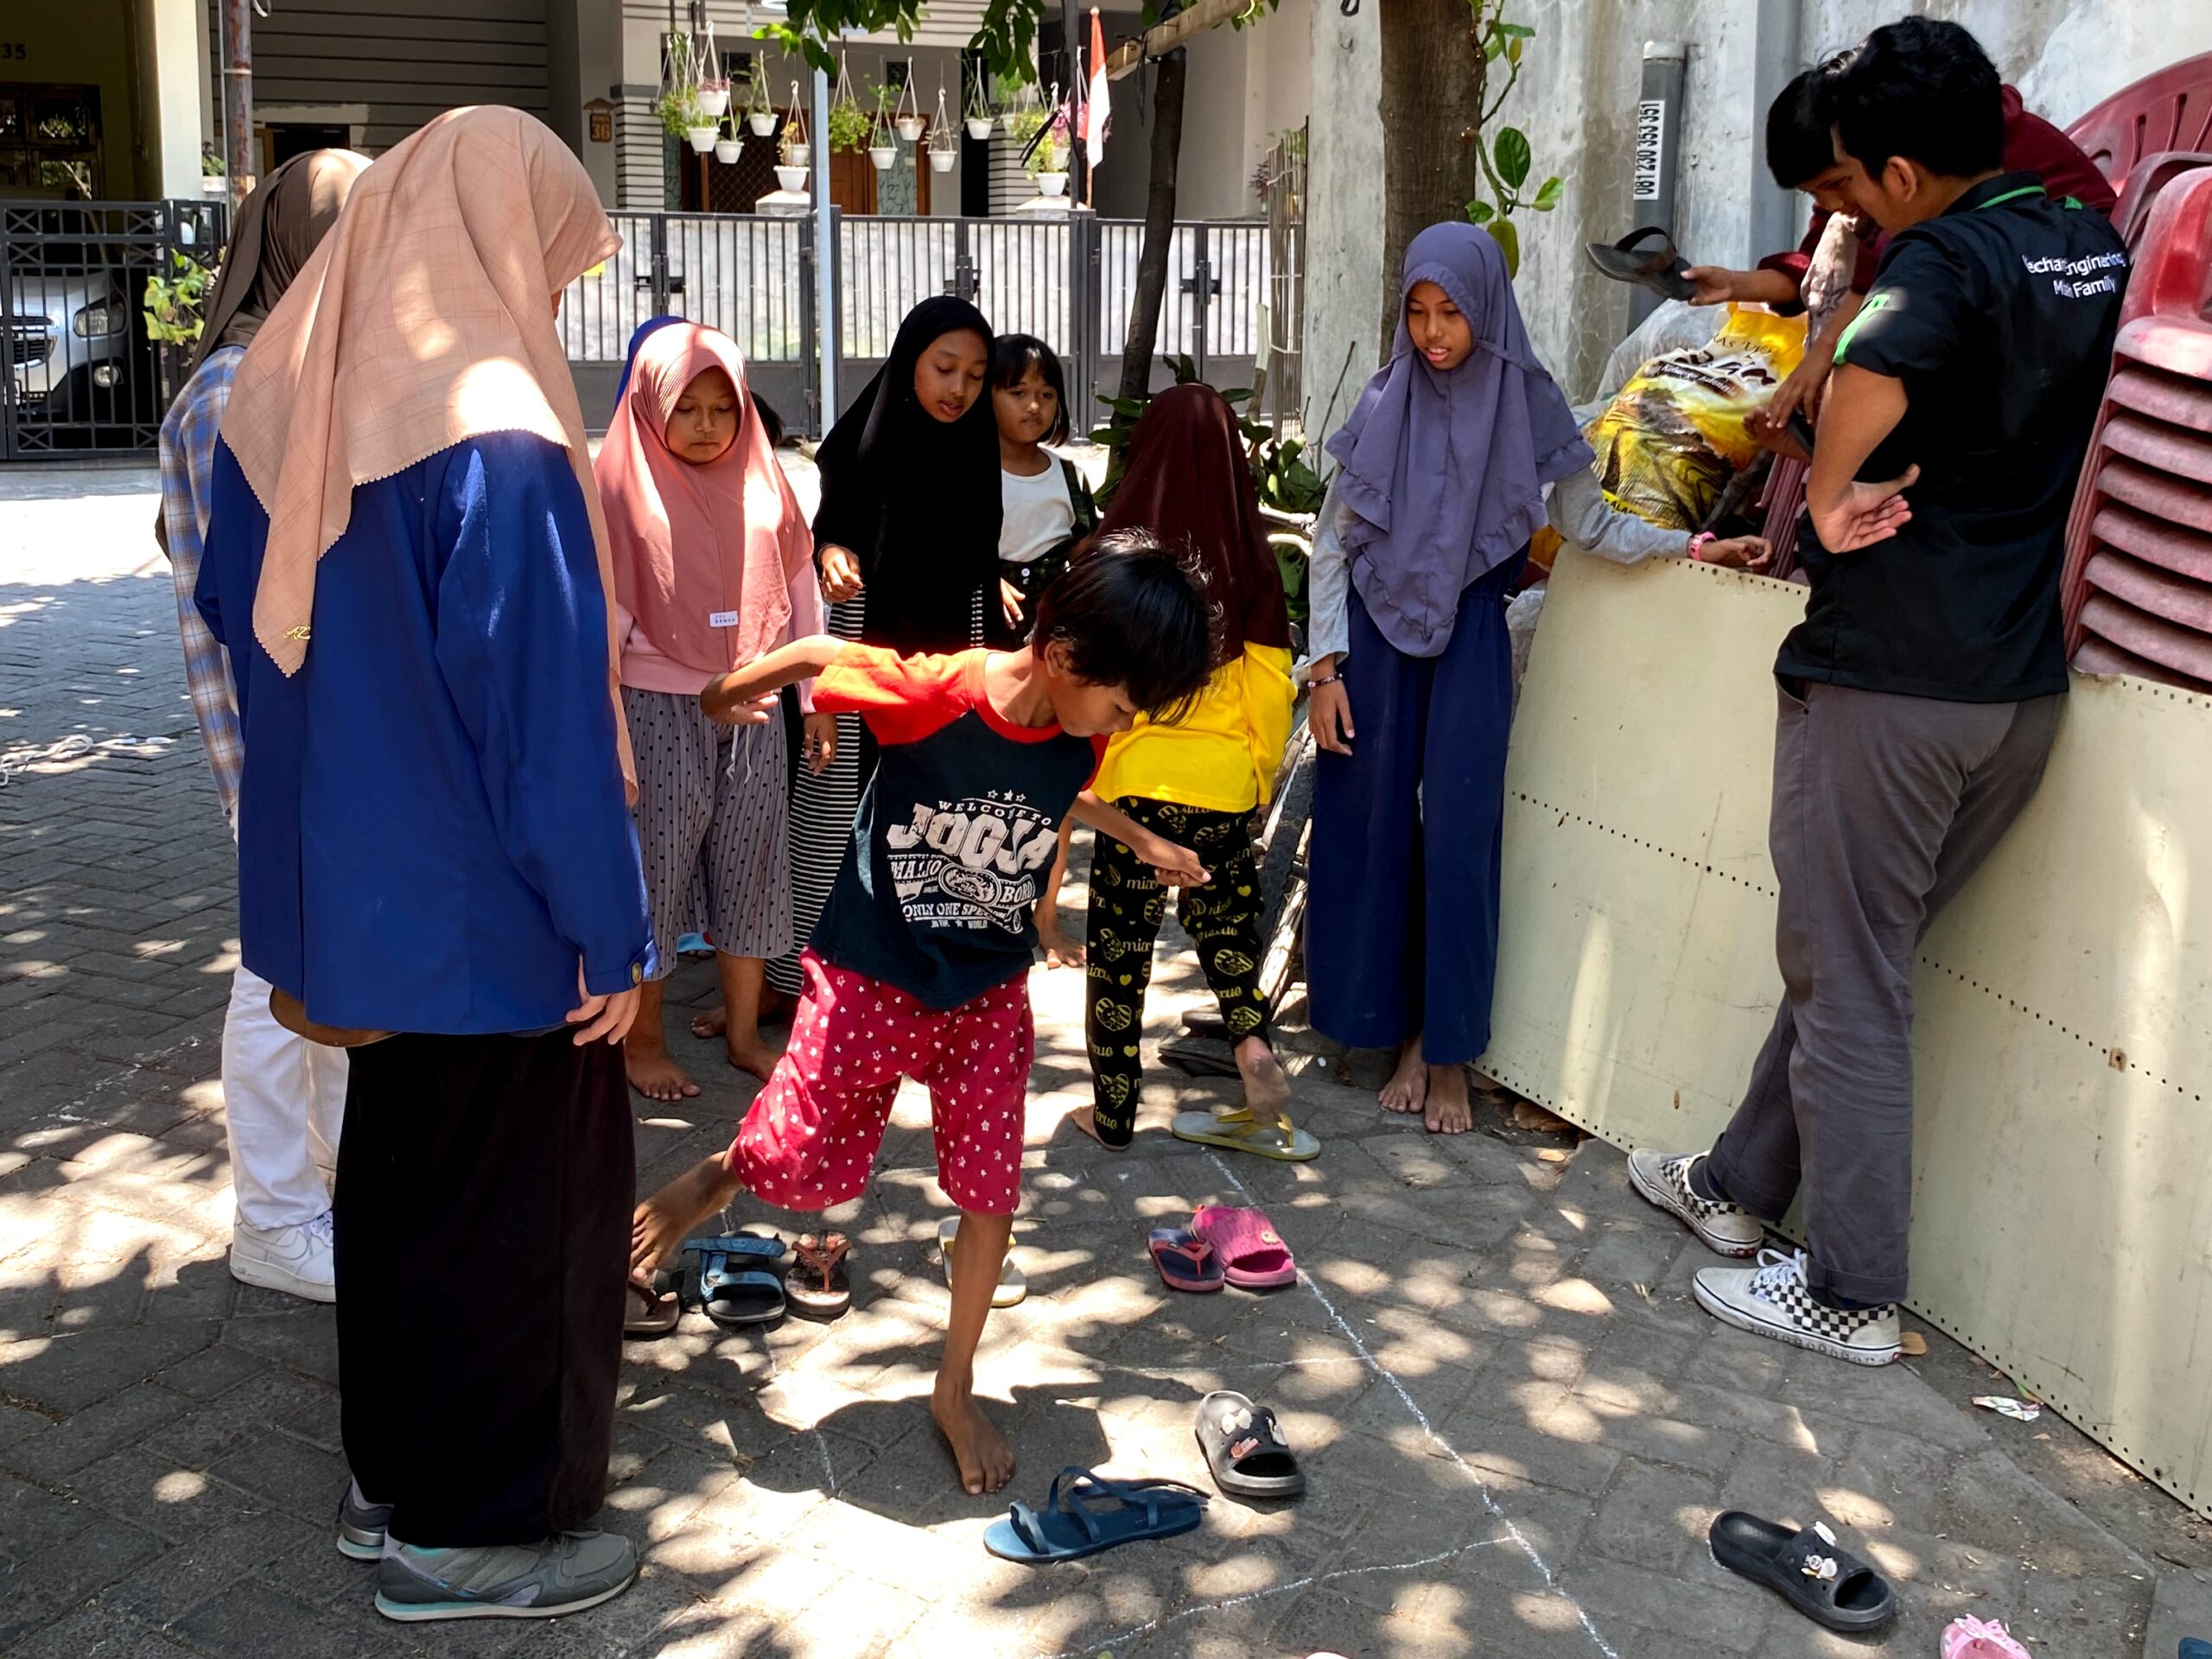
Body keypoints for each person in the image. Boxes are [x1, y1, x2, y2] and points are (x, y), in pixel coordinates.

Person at [196, 106, 653, 1620]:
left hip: (362, 907)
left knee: (399, 1194)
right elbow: (543, 722)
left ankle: (392, 1480)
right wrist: (611, 932)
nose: (554, 297)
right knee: (519, 1228)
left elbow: (236, 615)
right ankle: (479, 1534)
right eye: (553, 260)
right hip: (496, 920)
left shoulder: (286, 393)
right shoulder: (496, 428)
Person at [1630, 18, 2127, 1365]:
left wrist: (1833, 487)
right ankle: (1736, 1185)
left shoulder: (1944, 259)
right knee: (1853, 960)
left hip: (1893, 682)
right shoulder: (2082, 238)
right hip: (2013, 689)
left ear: (1903, 172)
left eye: (1848, 181)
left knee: (1848, 980)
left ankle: (1850, 1293)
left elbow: (1870, 362)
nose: (1844, 206)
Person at [631, 537, 1216, 1496]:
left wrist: (1140, 836)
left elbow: (1059, 789)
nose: (1129, 721)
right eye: (1125, 702)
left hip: (984, 992)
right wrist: (724, 693)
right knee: (797, 1163)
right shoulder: (936, 692)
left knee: (991, 1196)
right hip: (871, 970)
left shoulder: (1083, 730)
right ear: (1064, 656)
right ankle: (720, 1175)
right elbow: (819, 655)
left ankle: (954, 1388)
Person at [1306, 222, 1592, 1135]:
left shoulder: (1528, 401)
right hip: (1374, 640)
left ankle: (1447, 1048)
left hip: (1471, 634)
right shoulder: (1387, 396)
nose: (1433, 333)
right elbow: (1330, 545)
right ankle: (1391, 1032)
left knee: (1461, 840)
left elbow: (1587, 521)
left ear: (1488, 310)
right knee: (1371, 826)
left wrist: (1690, 547)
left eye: (1452, 313)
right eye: (1419, 312)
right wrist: (1323, 669)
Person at [156, 146, 367, 1303]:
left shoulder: (290, 373)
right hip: (279, 730)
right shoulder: (239, 388)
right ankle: (274, 1219)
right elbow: (263, 591)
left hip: (318, 729)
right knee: (278, 975)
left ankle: (323, 1185)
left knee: (327, 966)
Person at [595, 321, 827, 1097]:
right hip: (656, 706)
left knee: (753, 865)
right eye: (685, 408)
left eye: (722, 408)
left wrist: (814, 699)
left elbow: (800, 593)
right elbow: (603, 620)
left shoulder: (765, 480)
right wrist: (603, 723)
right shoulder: (618, 487)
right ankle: (643, 1043)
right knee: (655, 872)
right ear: (651, 405)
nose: (706, 425)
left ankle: (743, 1035)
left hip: (755, 697)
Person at [1072, 385, 1298, 1150]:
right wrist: (1255, 783)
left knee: (1119, 955)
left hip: (1135, 792)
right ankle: (1252, 1047)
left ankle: (1113, 1113)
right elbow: (1271, 690)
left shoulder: (1115, 564)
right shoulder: (1249, 564)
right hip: (1222, 785)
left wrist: (1092, 780)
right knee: (1226, 931)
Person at [1685, 63, 2114, 454]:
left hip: (2054, 303)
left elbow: (1877, 278)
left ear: (1897, 170)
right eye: (1815, 194)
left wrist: (1820, 363)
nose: (1833, 204)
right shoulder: (1876, 183)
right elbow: (1819, 265)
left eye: (1837, 184)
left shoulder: (1953, 166)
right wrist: (1736, 285)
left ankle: (1852, 457)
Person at [769, 298, 1001, 1013]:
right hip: (859, 661)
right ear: (909, 363)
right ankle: (791, 986)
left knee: (932, 829)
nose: (959, 388)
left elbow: (976, 569)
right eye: (945, 367)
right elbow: (828, 538)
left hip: (945, 673)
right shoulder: (863, 448)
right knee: (830, 824)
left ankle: (907, 988)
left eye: (976, 375)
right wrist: (831, 550)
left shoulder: (977, 453)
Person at [986, 333, 1096, 650]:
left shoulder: (1070, 478)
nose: (1034, 406)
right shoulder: (967, 476)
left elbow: (1085, 555)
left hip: (1051, 638)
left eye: (1047, 395)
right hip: (982, 635)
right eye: (1018, 393)